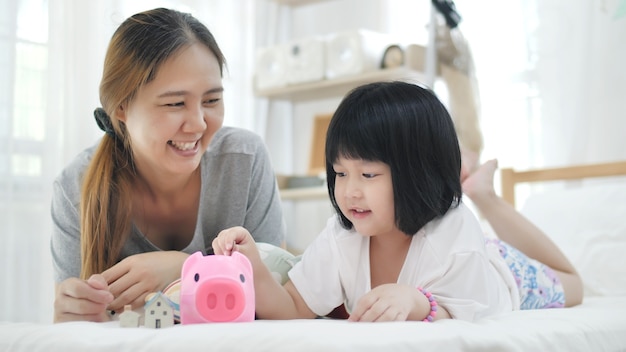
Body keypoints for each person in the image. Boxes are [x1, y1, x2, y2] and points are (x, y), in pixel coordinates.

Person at [212, 81, 583, 322]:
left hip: (499, 274)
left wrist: (420, 303)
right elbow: (294, 309)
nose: (349, 191)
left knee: (574, 286)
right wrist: (254, 269)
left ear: (418, 172)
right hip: (465, 255)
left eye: (368, 175)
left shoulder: (454, 234)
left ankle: (484, 195)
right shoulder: (342, 238)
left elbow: (477, 319)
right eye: (340, 174)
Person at [51, 8, 285, 323]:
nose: (199, 123)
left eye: (212, 100)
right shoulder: (75, 188)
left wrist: (184, 267)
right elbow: (82, 327)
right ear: (122, 107)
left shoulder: (244, 161)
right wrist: (72, 314)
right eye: (175, 103)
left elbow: (277, 299)